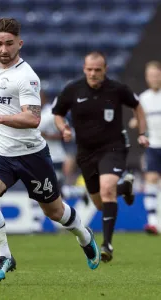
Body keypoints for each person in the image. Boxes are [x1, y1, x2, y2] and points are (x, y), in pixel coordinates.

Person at [0, 18, 100, 283]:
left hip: (31, 154)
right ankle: (5, 256)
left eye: (9, 43)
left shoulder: (27, 77)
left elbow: (32, 119)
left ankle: (84, 235)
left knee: (54, 212)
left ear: (20, 43)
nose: (4, 49)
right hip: (1, 152)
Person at [52, 51, 149, 262]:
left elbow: (137, 106)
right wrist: (64, 128)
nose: (93, 73)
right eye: (89, 69)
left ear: (105, 69)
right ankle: (126, 188)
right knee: (99, 203)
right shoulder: (73, 90)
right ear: (84, 69)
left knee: (107, 190)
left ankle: (107, 244)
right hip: (86, 152)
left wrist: (142, 133)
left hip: (113, 147)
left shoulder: (117, 89)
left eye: (98, 70)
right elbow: (57, 112)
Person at [129, 61, 161, 235]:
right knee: (151, 179)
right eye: (151, 75)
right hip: (153, 144)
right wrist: (136, 122)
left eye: (156, 75)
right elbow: (138, 118)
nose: (154, 78)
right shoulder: (144, 98)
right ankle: (153, 222)